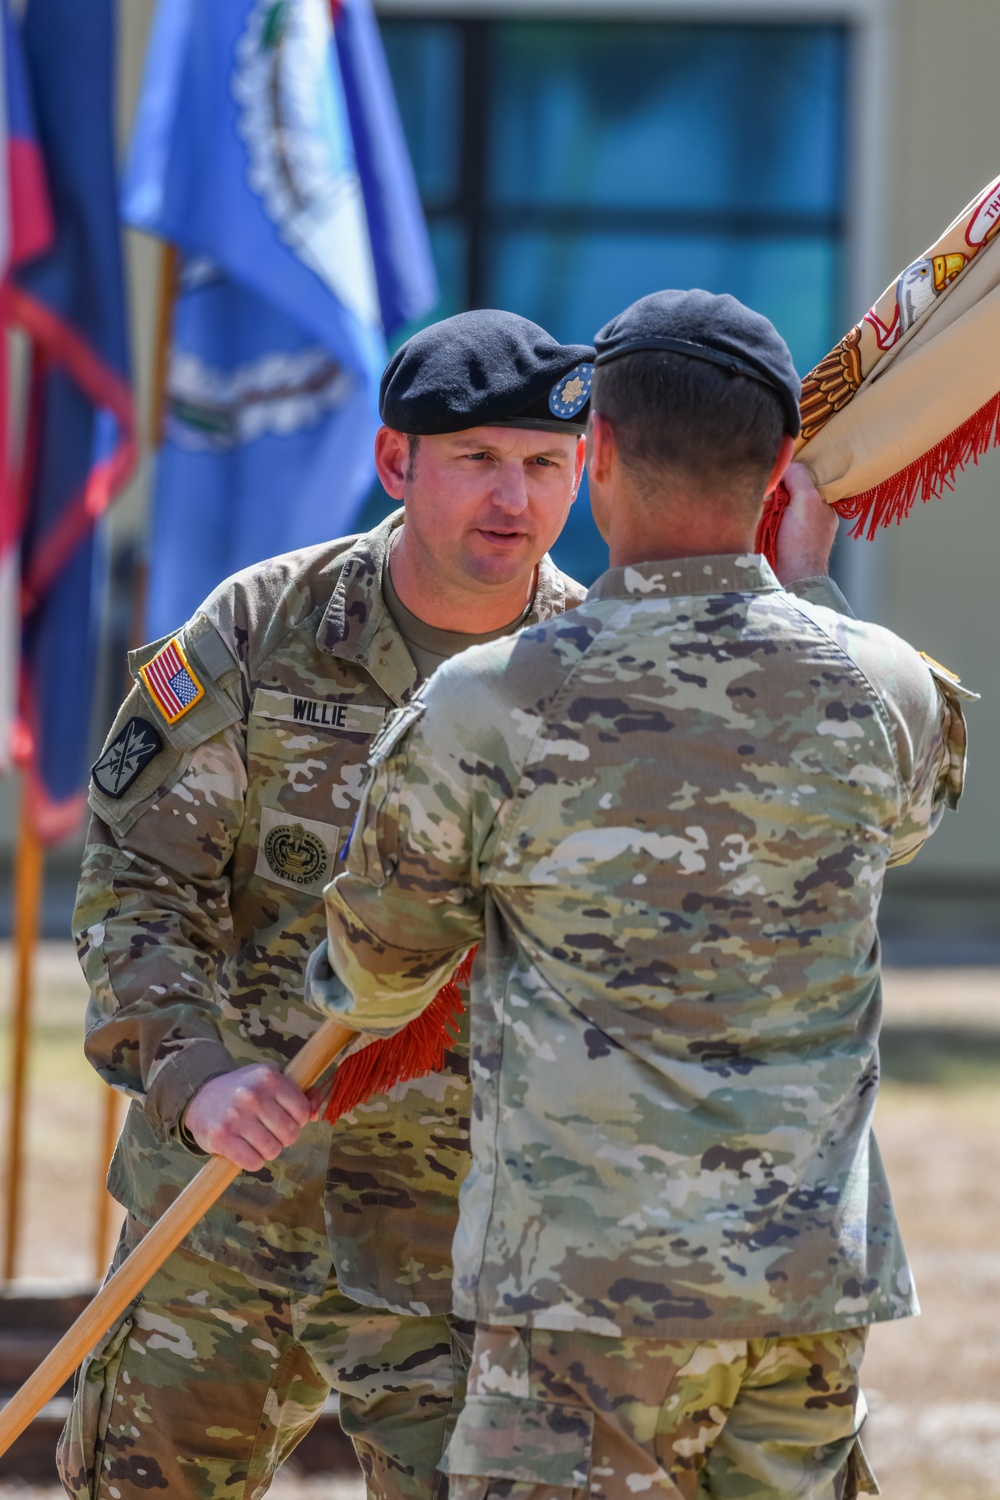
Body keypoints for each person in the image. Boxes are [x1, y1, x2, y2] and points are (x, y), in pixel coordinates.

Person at [311, 289, 974, 1499]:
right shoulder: (887, 686)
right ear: (780, 464)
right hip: (804, 1287)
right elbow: (902, 823)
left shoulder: (487, 703)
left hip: (584, 1293)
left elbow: (379, 971)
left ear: (596, 451)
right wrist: (810, 592)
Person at [60, 309, 598, 1500]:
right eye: (476, 461)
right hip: (229, 1212)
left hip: (461, 1247)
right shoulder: (262, 632)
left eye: (545, 465)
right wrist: (193, 1072)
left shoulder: (596, 675)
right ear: (394, 462)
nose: (513, 499)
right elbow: (138, 883)